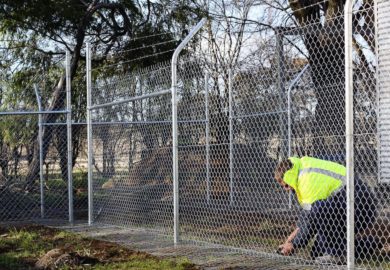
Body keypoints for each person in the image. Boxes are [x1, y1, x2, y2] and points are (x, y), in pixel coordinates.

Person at [274, 156, 378, 264]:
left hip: (360, 205)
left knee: (319, 210)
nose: (286, 189)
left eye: (286, 185)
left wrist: (294, 244)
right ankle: (374, 243)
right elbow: (306, 217)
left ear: (289, 177)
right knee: (317, 253)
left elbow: (310, 221)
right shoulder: (302, 169)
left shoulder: (306, 181)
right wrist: (289, 240)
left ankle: (336, 255)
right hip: (345, 205)